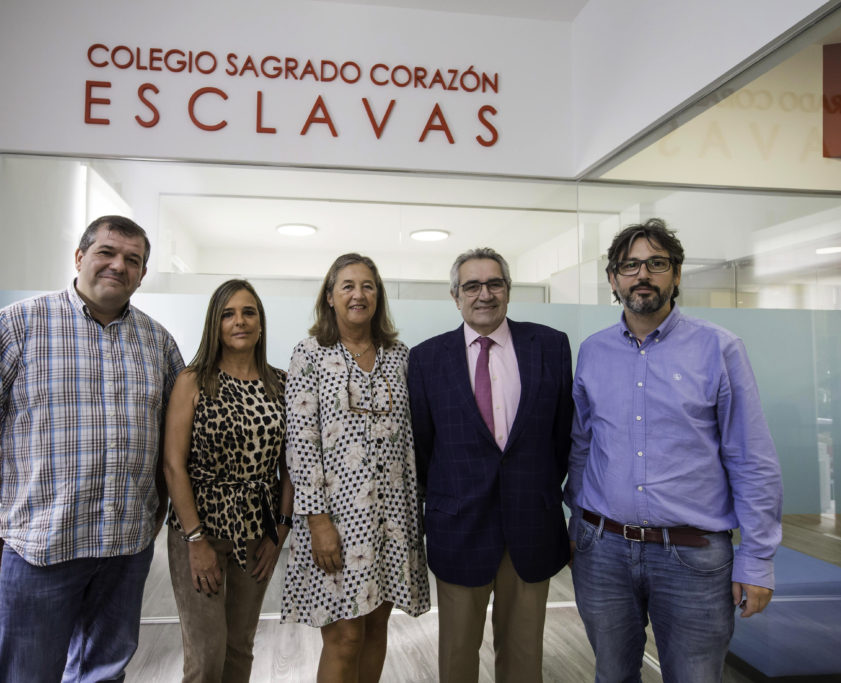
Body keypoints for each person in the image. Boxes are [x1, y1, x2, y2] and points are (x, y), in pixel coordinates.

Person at [0, 215, 184, 682]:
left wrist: (155, 515)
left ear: (142, 274)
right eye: (106, 253)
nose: (118, 265)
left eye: (132, 260)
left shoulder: (158, 343)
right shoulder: (16, 325)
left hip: (126, 549)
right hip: (42, 549)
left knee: (104, 674)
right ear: (79, 257)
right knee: (27, 674)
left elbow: (170, 441)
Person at [566, 218, 783, 682]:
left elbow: (751, 459)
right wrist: (576, 527)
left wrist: (757, 560)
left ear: (677, 274)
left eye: (657, 264)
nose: (642, 275)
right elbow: (582, 448)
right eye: (629, 266)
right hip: (603, 552)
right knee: (612, 675)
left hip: (693, 558)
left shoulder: (719, 348)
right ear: (613, 279)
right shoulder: (593, 352)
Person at [406, 247, 572, 683]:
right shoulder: (426, 359)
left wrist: (534, 488)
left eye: (494, 283)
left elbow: (562, 437)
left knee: (524, 659)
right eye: (472, 286)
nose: (485, 294)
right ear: (455, 296)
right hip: (459, 528)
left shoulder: (550, 346)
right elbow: (423, 447)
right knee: (457, 657)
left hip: (531, 526)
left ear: (508, 290)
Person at [281, 253, 430, 682]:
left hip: (393, 518)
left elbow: (416, 436)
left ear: (378, 296)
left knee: (377, 626)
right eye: (347, 286)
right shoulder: (309, 354)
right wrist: (317, 522)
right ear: (329, 297)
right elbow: (301, 445)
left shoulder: (400, 356)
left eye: (368, 286)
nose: (358, 294)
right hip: (336, 521)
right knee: (345, 637)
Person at [162, 279, 293, 683]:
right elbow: (173, 465)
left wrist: (280, 532)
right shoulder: (193, 380)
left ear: (261, 323)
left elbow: (291, 468)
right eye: (228, 314)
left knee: (239, 648)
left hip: (258, 532)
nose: (240, 321)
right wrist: (195, 540)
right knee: (206, 655)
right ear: (214, 324)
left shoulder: (281, 383)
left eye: (249, 312)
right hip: (200, 529)